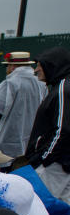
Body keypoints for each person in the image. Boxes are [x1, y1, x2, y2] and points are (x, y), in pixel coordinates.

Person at [25, 46, 70, 202]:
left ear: (53, 65)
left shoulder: (63, 88)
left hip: (55, 165)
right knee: (63, 213)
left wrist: (43, 159)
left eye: (40, 65)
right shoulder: (60, 87)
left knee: (39, 207)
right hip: (60, 163)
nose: (36, 70)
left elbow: (62, 129)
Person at [0, 51, 47, 160]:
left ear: (13, 67)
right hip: (31, 137)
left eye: (7, 65)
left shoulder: (10, 83)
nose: (7, 69)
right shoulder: (41, 83)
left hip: (8, 139)